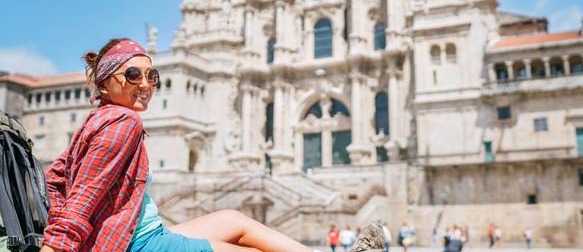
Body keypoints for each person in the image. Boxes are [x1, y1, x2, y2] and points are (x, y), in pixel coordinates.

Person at [39, 38, 386, 252]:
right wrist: (57, 248)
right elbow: (82, 200)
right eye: (132, 75)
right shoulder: (123, 122)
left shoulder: (95, 120)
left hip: (139, 232)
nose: (145, 84)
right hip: (135, 243)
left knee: (235, 220)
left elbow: (56, 179)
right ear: (104, 82)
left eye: (152, 76)